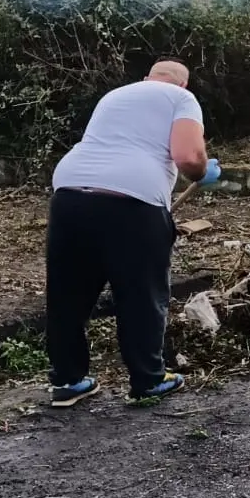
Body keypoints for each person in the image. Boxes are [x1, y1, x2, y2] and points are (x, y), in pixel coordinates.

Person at [45, 59, 221, 407]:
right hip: (133, 201)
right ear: (182, 85)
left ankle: (67, 381)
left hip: (69, 193)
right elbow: (187, 156)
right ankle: (148, 380)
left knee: (67, 295)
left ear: (146, 78)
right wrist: (202, 171)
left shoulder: (115, 95)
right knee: (141, 293)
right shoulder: (180, 99)